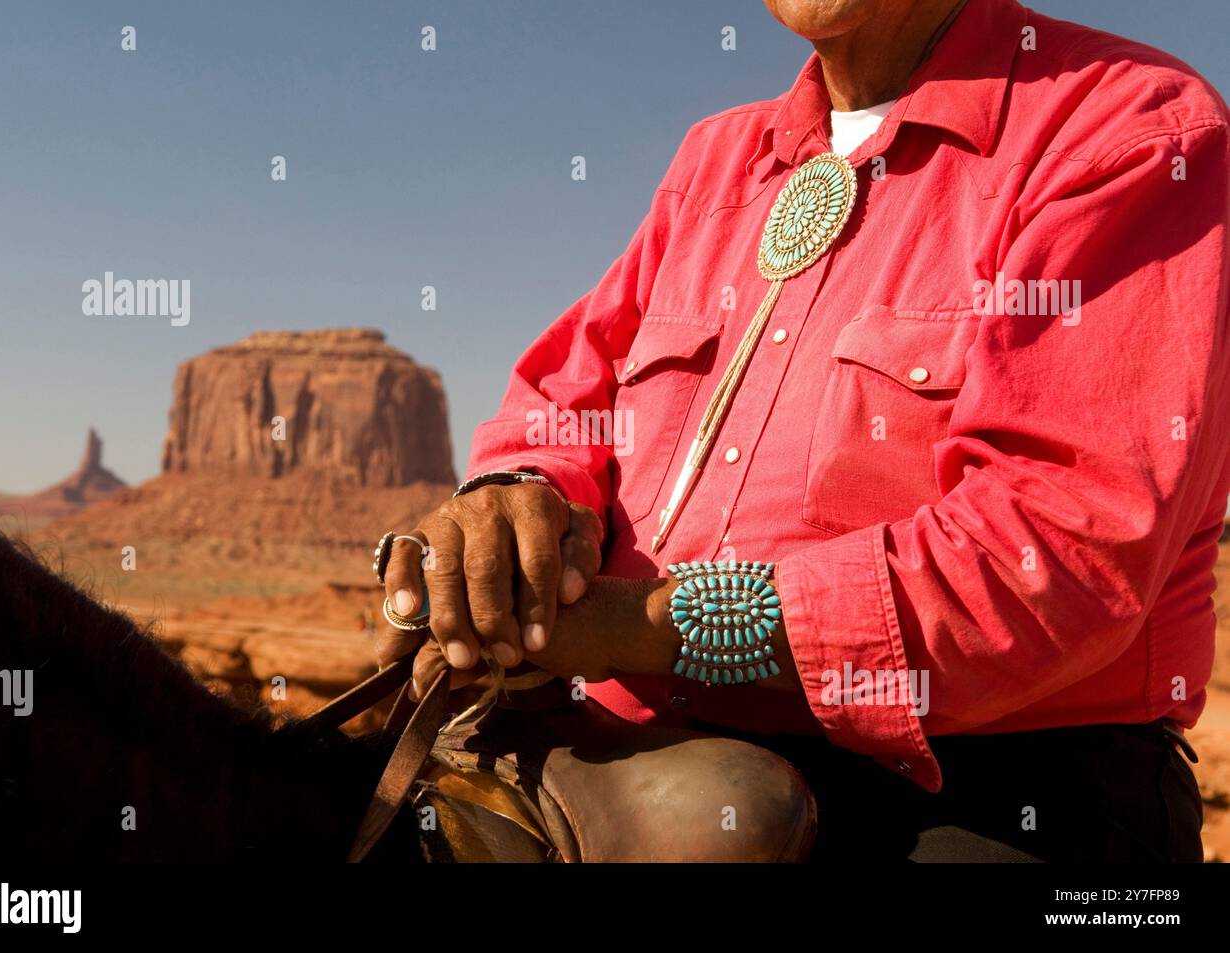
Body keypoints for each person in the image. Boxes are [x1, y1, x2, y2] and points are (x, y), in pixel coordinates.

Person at [375, 0, 1229, 861]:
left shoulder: (1130, 123)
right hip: (638, 771)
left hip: (985, 796)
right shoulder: (714, 161)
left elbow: (1057, 549)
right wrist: (515, 509)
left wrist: (641, 626)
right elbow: (564, 398)